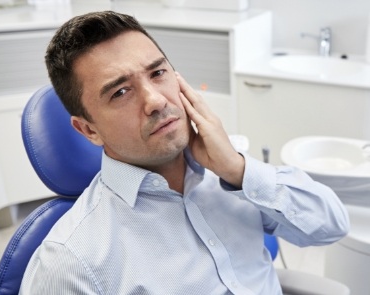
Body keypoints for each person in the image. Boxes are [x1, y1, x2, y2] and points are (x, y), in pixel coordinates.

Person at [19, 10, 349, 295]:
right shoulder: (70, 262)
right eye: (121, 92)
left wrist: (238, 169)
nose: (156, 101)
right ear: (89, 129)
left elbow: (331, 226)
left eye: (157, 73)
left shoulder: (229, 174)